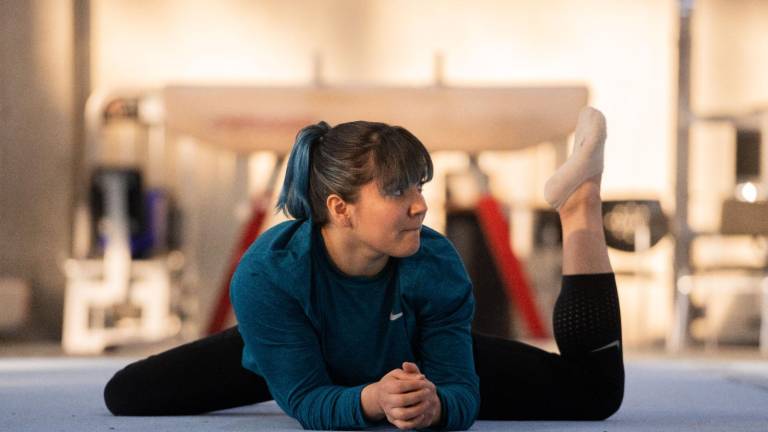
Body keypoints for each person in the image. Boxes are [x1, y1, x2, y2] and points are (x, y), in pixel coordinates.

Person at [103, 107, 624, 431]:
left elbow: (460, 388)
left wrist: (437, 406)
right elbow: (306, 400)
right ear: (339, 208)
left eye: (419, 186)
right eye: (399, 191)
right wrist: (371, 400)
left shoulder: (433, 263)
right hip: (302, 344)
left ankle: (581, 207)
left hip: (410, 353)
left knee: (594, 393)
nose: (420, 206)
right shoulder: (269, 275)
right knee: (126, 395)